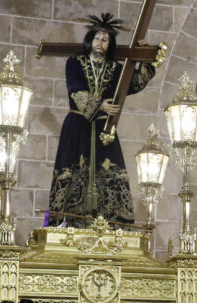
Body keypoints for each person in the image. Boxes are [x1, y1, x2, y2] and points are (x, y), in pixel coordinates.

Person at [49, 13, 157, 226]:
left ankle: (111, 223)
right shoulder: (75, 62)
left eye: (105, 39)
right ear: (90, 39)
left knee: (109, 170)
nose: (100, 43)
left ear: (111, 43)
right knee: (70, 169)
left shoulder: (116, 68)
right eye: (97, 38)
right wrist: (99, 106)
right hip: (78, 124)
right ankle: (61, 223)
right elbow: (75, 90)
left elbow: (132, 84)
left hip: (104, 128)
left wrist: (146, 59)